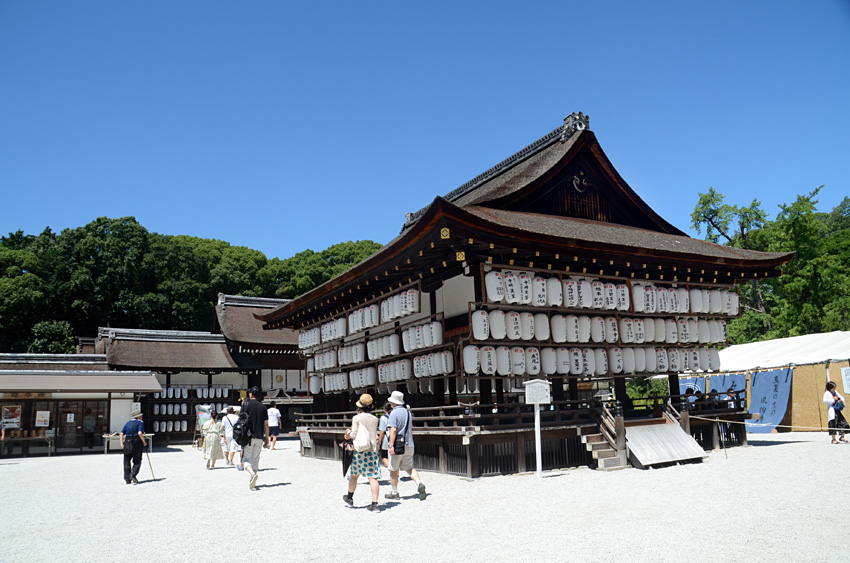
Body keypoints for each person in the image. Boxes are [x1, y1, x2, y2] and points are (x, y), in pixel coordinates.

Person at [385, 391, 426, 501]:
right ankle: (419, 483)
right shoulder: (408, 412)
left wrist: (390, 445)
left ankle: (394, 492)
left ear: (393, 402)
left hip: (398, 445)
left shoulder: (394, 413)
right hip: (409, 444)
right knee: (409, 467)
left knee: (393, 469)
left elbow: (393, 430)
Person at [342, 394, 380, 511]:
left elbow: (354, 434)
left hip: (360, 451)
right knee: (372, 477)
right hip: (372, 451)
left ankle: (349, 497)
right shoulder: (375, 419)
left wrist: (347, 432)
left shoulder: (356, 418)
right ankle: (374, 503)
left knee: (354, 476)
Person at [242, 386, 269, 490]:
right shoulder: (263, 407)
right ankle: (253, 481)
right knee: (255, 459)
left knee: (246, 460)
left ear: (251, 394)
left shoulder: (246, 405)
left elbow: (241, 420)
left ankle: (253, 475)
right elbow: (266, 424)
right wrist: (267, 438)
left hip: (249, 436)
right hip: (259, 436)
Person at [119, 410, 147, 485]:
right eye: (140, 416)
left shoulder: (127, 423)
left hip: (127, 441)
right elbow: (140, 433)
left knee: (126, 460)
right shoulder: (140, 423)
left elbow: (121, 433)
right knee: (137, 460)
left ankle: (127, 478)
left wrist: (121, 443)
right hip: (136, 441)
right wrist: (144, 442)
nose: (141, 417)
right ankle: (133, 474)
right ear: (138, 416)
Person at [376, 402, 392, 469]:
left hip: (387, 437)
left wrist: (379, 442)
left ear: (384, 408)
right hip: (395, 436)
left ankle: (391, 469)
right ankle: (395, 472)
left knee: (384, 456)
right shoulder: (394, 416)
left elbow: (382, 431)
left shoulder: (383, 417)